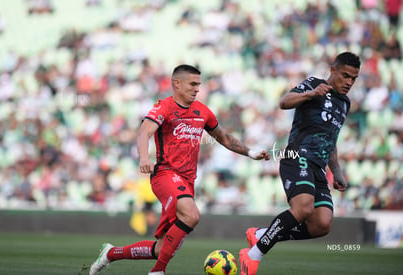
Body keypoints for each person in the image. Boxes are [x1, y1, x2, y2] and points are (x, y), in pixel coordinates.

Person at [89, 64, 270, 275]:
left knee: (161, 248)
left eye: (198, 85)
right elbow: (144, 132)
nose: (197, 89)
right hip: (165, 175)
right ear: (177, 83)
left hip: (187, 181)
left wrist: (250, 152)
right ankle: (158, 271)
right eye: (192, 84)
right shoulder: (163, 107)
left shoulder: (203, 112)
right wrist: (144, 157)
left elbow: (224, 138)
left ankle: (111, 254)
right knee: (192, 215)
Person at [239, 52, 361, 275]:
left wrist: (337, 171)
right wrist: (311, 94)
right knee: (303, 208)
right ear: (333, 70)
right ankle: (253, 254)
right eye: (345, 76)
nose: (349, 82)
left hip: (319, 167)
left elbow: (331, 138)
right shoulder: (315, 84)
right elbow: (284, 102)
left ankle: (261, 235)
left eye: (353, 78)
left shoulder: (344, 103)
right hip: (298, 157)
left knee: (322, 224)